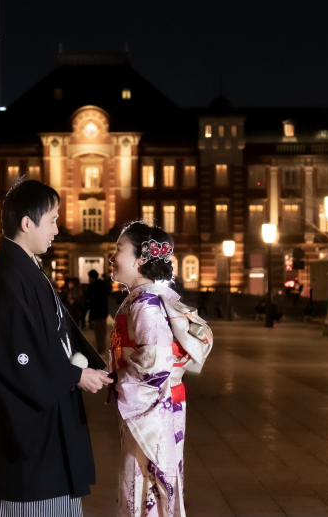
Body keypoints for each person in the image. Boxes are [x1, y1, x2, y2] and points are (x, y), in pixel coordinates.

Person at [0, 177, 110, 517]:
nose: (57, 228)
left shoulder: (21, 269)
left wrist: (86, 366)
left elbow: (52, 338)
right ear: (26, 223)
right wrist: (74, 375)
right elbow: (17, 355)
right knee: (33, 499)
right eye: (52, 219)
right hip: (27, 422)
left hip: (44, 410)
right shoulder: (8, 274)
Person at [109, 221, 187, 516]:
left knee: (144, 490)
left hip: (151, 412)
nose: (113, 257)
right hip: (157, 406)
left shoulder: (145, 305)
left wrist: (117, 379)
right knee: (146, 489)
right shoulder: (152, 298)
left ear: (141, 259)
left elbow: (155, 365)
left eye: (118, 249)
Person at [86, 269, 110, 354]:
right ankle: (102, 348)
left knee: (99, 332)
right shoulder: (102, 285)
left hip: (97, 312)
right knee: (102, 331)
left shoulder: (93, 286)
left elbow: (90, 299)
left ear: (91, 277)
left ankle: (101, 350)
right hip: (103, 311)